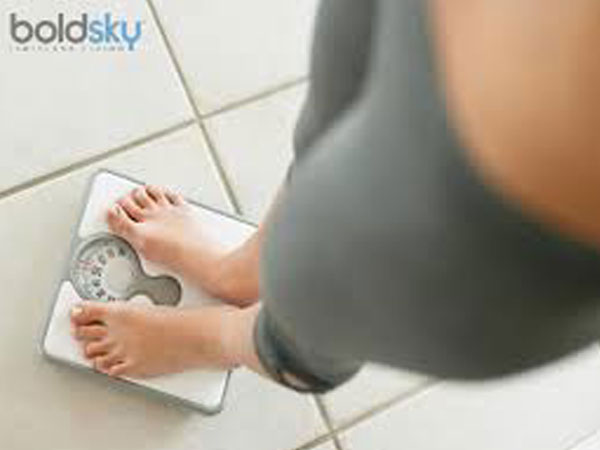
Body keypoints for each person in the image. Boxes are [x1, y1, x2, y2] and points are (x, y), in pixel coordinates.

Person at [70, 0, 600, 392]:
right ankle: (241, 271)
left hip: (538, 180)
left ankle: (220, 338)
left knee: (314, 302)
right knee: (332, 119)